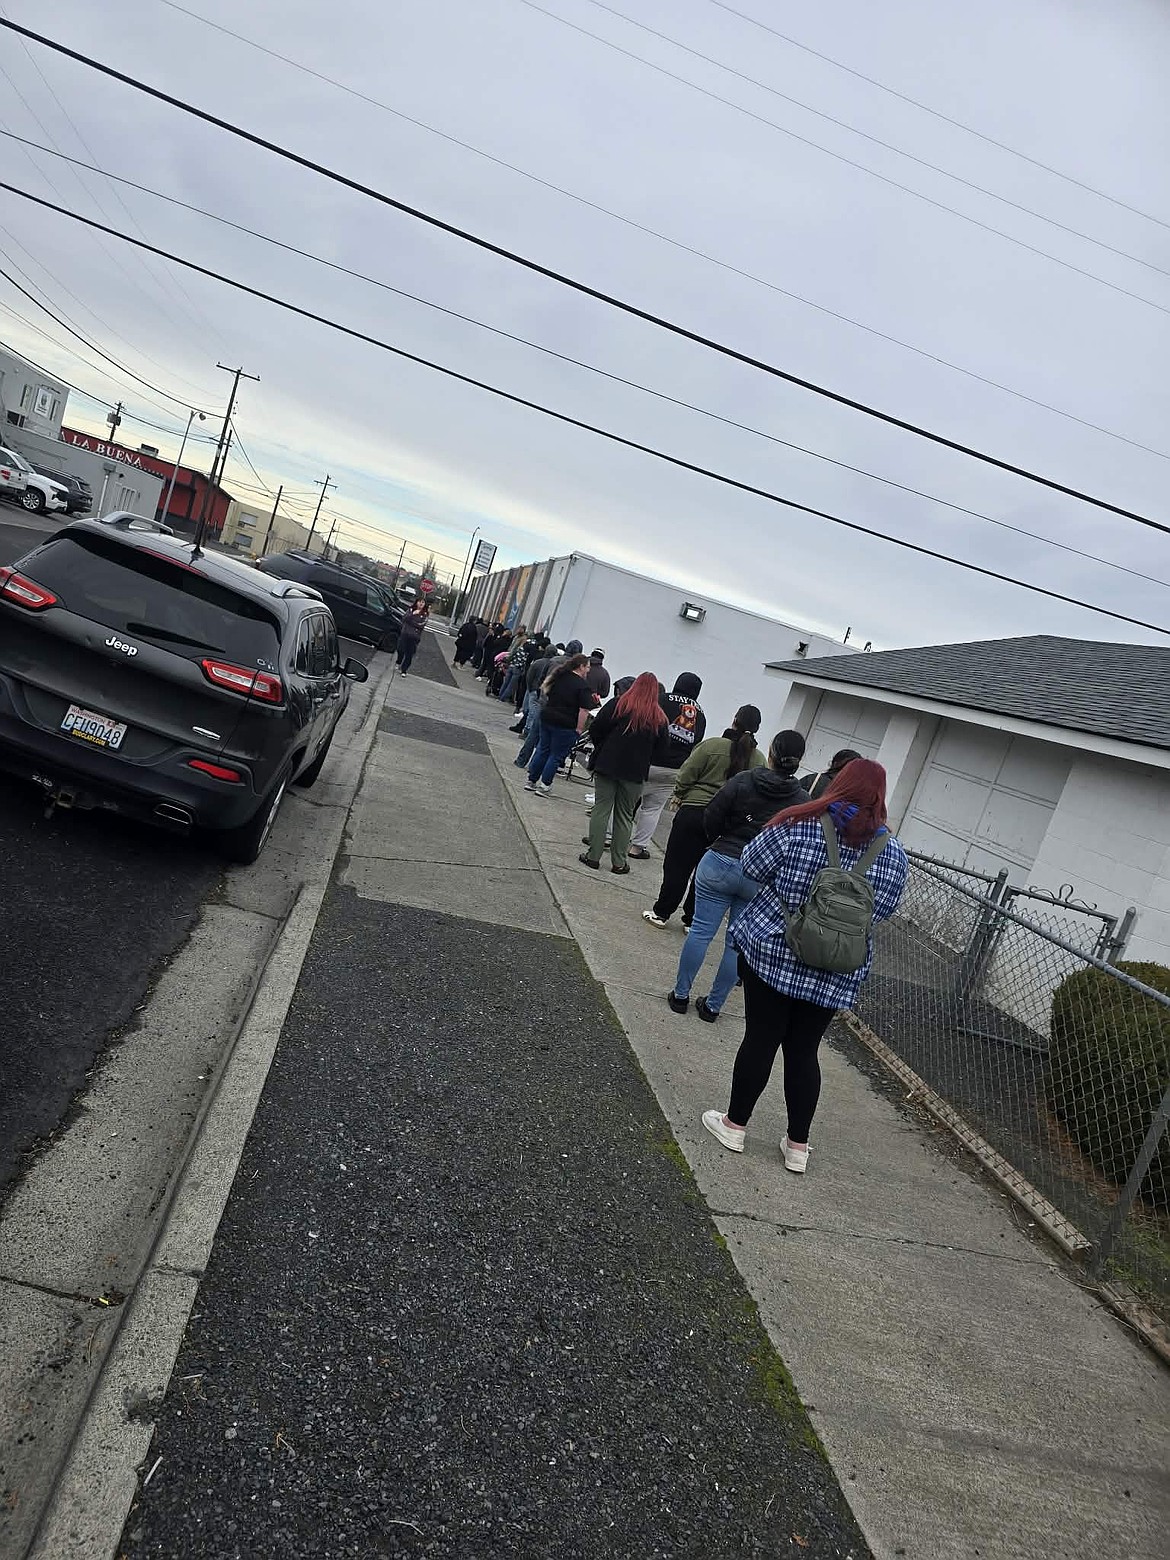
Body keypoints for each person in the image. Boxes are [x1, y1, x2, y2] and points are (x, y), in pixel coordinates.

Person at [702, 758, 908, 1172]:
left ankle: (735, 1125)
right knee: (804, 1051)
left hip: (775, 952)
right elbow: (882, 909)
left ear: (839, 784)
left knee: (761, 1039)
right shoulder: (892, 853)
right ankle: (797, 1146)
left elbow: (751, 866)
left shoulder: (798, 823)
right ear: (880, 796)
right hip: (834, 969)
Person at [668, 731, 807, 1023]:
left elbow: (712, 814)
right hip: (759, 876)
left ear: (770, 753)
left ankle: (681, 995)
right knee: (735, 943)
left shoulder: (744, 780)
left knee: (701, 931)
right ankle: (713, 1007)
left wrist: (718, 839)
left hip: (721, 859)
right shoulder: (801, 800)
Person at [643, 704, 764, 930]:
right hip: (729, 824)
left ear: (734, 720)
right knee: (705, 873)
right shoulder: (758, 760)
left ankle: (661, 912)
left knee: (677, 866)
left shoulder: (711, 746)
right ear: (757, 728)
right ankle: (691, 920)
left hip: (694, 813)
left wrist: (679, 795)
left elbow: (687, 774)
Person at [579, 673, 666, 875]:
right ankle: (619, 862)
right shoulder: (658, 717)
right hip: (634, 772)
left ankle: (593, 856)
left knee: (602, 809)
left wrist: (605, 746)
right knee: (625, 816)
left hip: (608, 764)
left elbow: (597, 728)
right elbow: (662, 749)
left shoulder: (619, 704)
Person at [628, 673, 707, 860]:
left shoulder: (662, 700)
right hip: (675, 769)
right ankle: (637, 848)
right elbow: (697, 742)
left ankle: (608, 837)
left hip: (649, 762)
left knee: (626, 802)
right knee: (653, 809)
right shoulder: (701, 714)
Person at [525, 653, 597, 796]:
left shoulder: (558, 677)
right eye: (587, 667)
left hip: (547, 716)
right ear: (581, 667)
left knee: (543, 749)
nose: (588, 670)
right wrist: (579, 728)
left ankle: (531, 780)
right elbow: (584, 709)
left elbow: (548, 693)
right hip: (565, 723)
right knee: (556, 755)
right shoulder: (582, 686)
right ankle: (545, 785)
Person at [515, 640, 581, 768]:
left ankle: (521, 760)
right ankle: (534, 765)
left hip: (545, 702)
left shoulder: (553, 661)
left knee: (533, 735)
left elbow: (542, 679)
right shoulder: (575, 668)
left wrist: (541, 694)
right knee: (545, 741)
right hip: (561, 708)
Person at [395, 599, 429, 675]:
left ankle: (404, 670)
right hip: (405, 634)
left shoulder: (425, 614)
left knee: (409, 654)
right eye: (419, 601)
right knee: (400, 649)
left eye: (423, 602)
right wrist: (413, 614)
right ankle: (399, 661)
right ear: (416, 602)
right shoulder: (410, 610)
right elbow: (404, 618)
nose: (421, 603)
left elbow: (421, 625)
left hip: (414, 636)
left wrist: (411, 622)